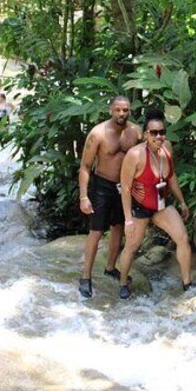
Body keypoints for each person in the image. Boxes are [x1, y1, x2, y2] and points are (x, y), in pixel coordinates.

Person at [118, 110, 193, 299]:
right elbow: (125, 188)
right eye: (153, 133)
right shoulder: (134, 155)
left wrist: (182, 202)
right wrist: (128, 220)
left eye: (161, 132)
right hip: (139, 207)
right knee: (132, 247)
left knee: (182, 238)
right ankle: (123, 282)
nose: (158, 136)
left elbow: (172, 176)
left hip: (162, 204)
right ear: (145, 134)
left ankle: (187, 284)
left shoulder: (167, 147)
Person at [78, 96, 142, 298]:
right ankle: (86, 277)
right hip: (102, 186)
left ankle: (110, 267)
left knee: (118, 228)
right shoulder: (98, 133)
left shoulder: (136, 132)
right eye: (118, 110)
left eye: (125, 110)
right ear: (110, 110)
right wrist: (83, 196)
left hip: (125, 187)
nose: (122, 114)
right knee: (96, 231)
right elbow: (85, 167)